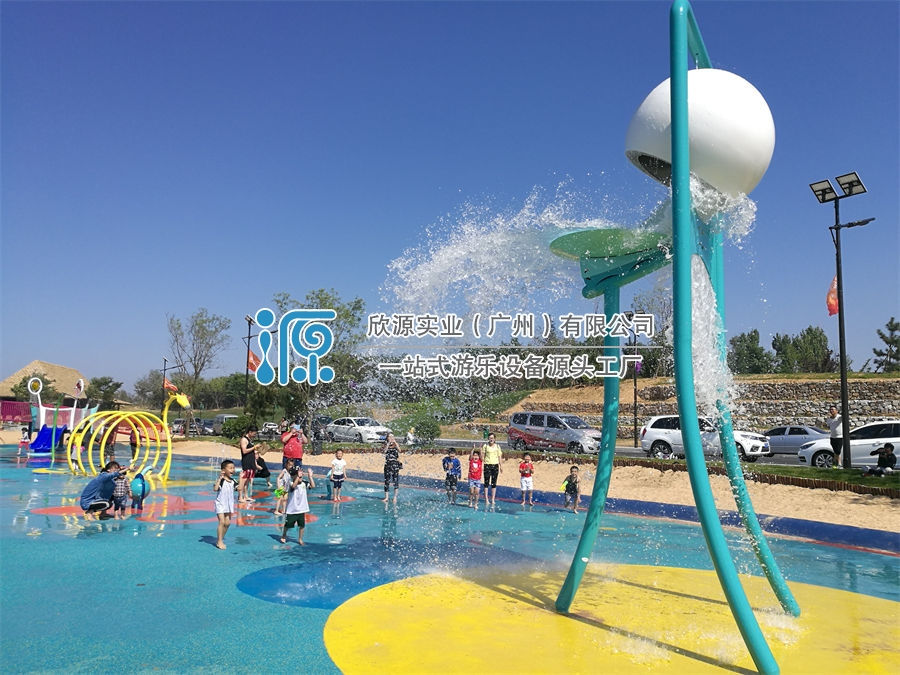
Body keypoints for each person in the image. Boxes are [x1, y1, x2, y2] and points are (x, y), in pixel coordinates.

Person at [281, 467, 316, 545]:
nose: (300, 477)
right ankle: (284, 535)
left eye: (301, 476)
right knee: (288, 525)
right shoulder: (290, 483)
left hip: (301, 509)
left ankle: (300, 539)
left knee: (302, 525)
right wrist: (298, 477)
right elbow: (293, 487)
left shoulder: (304, 483)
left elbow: (313, 486)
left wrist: (310, 477)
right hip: (292, 510)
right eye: (298, 476)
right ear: (293, 476)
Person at [214, 460, 237, 550]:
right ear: (223, 470)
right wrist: (219, 479)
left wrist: (241, 478)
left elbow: (239, 488)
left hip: (229, 504)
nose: (232, 470)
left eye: (233, 468)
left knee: (227, 523)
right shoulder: (222, 480)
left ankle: (220, 538)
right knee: (222, 522)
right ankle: (220, 541)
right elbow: (215, 489)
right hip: (220, 503)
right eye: (230, 468)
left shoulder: (233, 481)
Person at [237, 425, 260, 503]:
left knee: (248, 480)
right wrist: (254, 447)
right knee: (243, 480)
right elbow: (244, 451)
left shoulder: (250, 440)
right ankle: (240, 497)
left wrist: (256, 450)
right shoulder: (244, 439)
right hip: (246, 462)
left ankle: (246, 496)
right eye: (254, 433)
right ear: (250, 432)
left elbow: (251, 450)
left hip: (251, 462)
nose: (254, 435)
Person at [479, 433, 503, 506]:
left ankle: (492, 499)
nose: (491, 439)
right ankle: (486, 499)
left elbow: (499, 457)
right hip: (487, 465)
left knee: (494, 483)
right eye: (490, 438)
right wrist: (480, 450)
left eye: (492, 438)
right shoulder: (485, 446)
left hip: (495, 465)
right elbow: (482, 458)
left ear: (495, 439)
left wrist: (501, 466)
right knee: (486, 482)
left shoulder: (497, 446)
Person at [382, 433, 402, 504]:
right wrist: (388, 444)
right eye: (390, 436)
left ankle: (395, 497)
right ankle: (386, 497)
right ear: (387, 438)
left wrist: (395, 443)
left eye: (392, 436)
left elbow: (400, 451)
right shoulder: (385, 445)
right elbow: (384, 451)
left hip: (395, 464)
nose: (391, 438)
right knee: (387, 481)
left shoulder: (396, 445)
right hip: (388, 464)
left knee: (395, 480)